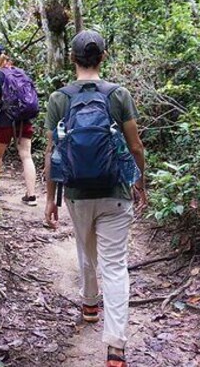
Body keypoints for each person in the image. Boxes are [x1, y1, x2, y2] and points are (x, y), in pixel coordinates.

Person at [43, 30, 147, 367]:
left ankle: (90, 303)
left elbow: (52, 152)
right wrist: (139, 181)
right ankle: (115, 345)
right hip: (115, 192)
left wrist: (50, 199)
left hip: (75, 192)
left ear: (72, 59)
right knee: (115, 266)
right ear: (103, 58)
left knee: (85, 249)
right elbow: (135, 146)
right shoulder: (119, 95)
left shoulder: (59, 98)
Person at [0, 44, 39, 206]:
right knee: (26, 155)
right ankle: (32, 195)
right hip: (24, 119)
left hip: (5, 121)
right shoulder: (20, 72)